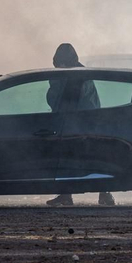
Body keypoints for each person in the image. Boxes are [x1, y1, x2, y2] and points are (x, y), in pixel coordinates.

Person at [44, 42, 107, 207]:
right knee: (81, 159)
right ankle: (70, 194)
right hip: (83, 124)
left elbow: (64, 101)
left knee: (79, 158)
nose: (59, 66)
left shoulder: (76, 76)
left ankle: (102, 193)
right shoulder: (78, 73)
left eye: (61, 63)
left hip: (80, 125)